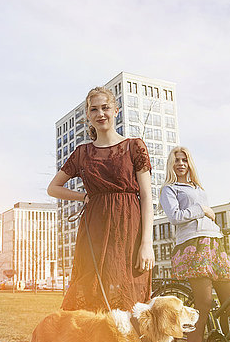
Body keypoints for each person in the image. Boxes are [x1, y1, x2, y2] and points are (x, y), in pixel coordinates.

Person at [47, 86, 154, 311]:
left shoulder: (134, 147)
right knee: (92, 296)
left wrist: (146, 243)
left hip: (129, 229)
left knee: (130, 299)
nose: (100, 113)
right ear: (88, 115)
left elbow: (146, 197)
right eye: (94, 109)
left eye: (105, 107)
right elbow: (53, 188)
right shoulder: (82, 153)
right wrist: (83, 196)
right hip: (93, 231)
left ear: (116, 110)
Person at [159, 147, 230, 342]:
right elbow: (175, 217)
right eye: (176, 160)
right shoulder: (169, 189)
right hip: (192, 246)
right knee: (204, 304)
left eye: (184, 159)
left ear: (190, 163)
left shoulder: (199, 188)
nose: (180, 163)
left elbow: (205, 213)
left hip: (214, 243)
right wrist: (202, 209)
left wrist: (208, 215)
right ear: (171, 164)